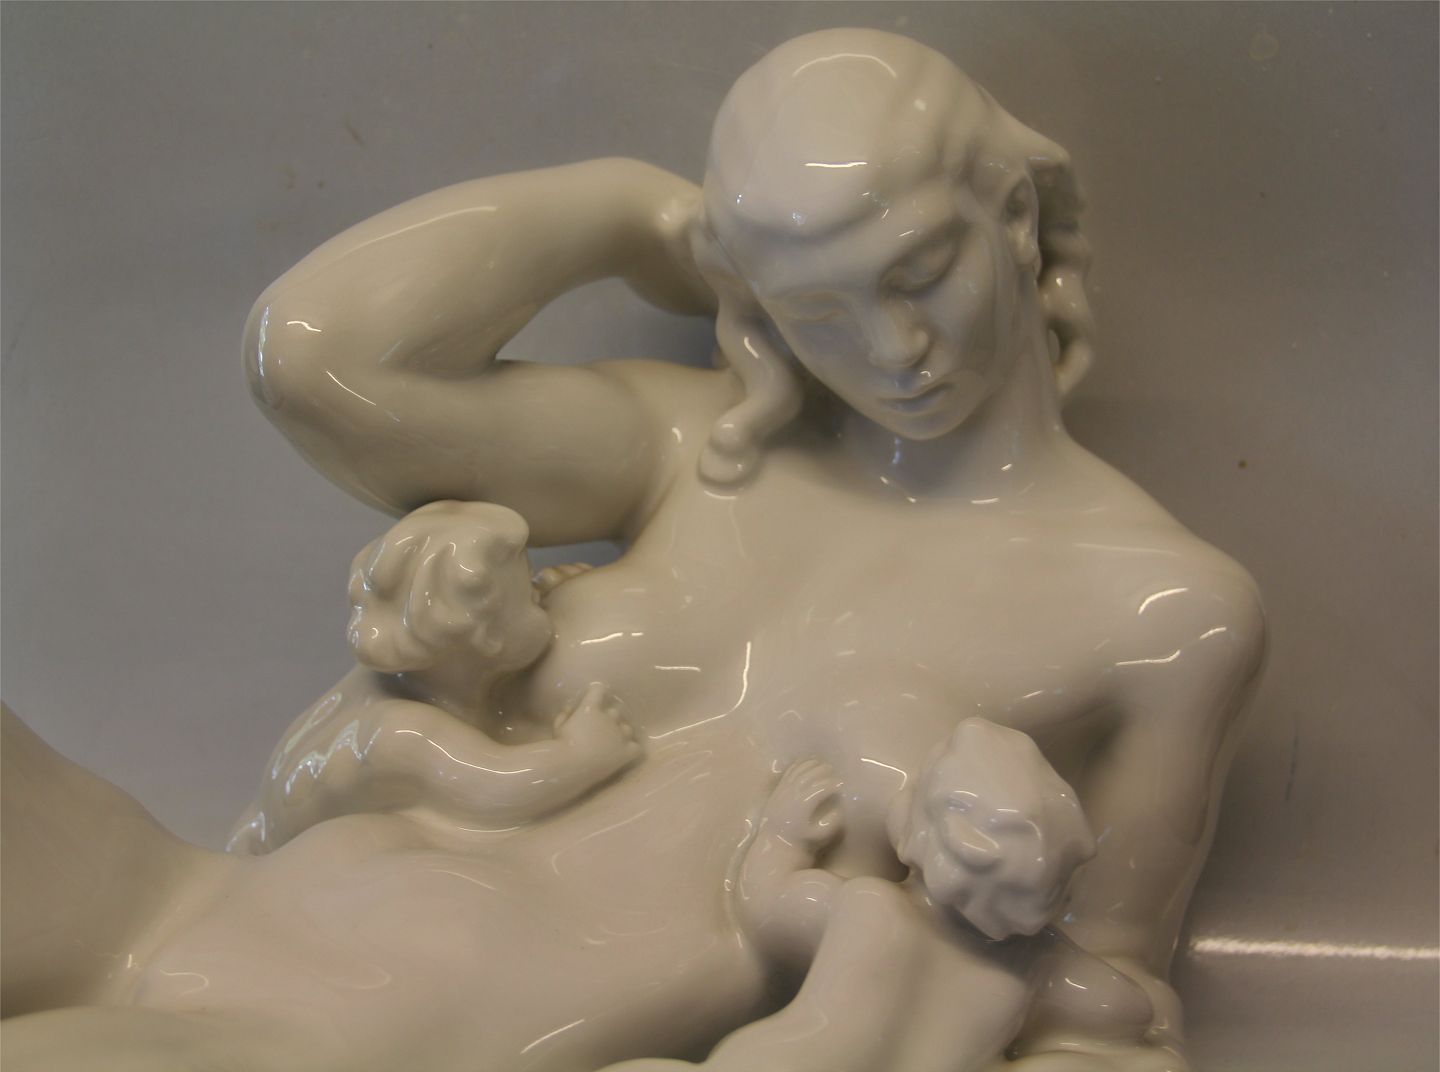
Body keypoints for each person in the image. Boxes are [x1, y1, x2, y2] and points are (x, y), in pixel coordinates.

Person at [2, 28, 1264, 1071]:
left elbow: (1102, 1021)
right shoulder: (700, 446)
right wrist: (636, 214)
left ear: (1011, 212)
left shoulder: (1163, 614)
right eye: (818, 309)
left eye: (919, 270)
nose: (893, 350)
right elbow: (320, 360)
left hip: (392, 1035)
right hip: (196, 890)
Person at [606, 719, 1152, 1072]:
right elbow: (1125, 1009)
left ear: (914, 830)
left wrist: (782, 835)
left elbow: (766, 906)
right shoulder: (1027, 976)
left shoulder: (870, 908)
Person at [229, 499, 639, 854]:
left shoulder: (417, 667)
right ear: (482, 637)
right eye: (528, 598)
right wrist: (585, 754)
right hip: (283, 857)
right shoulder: (403, 733)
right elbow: (497, 788)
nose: (540, 597)